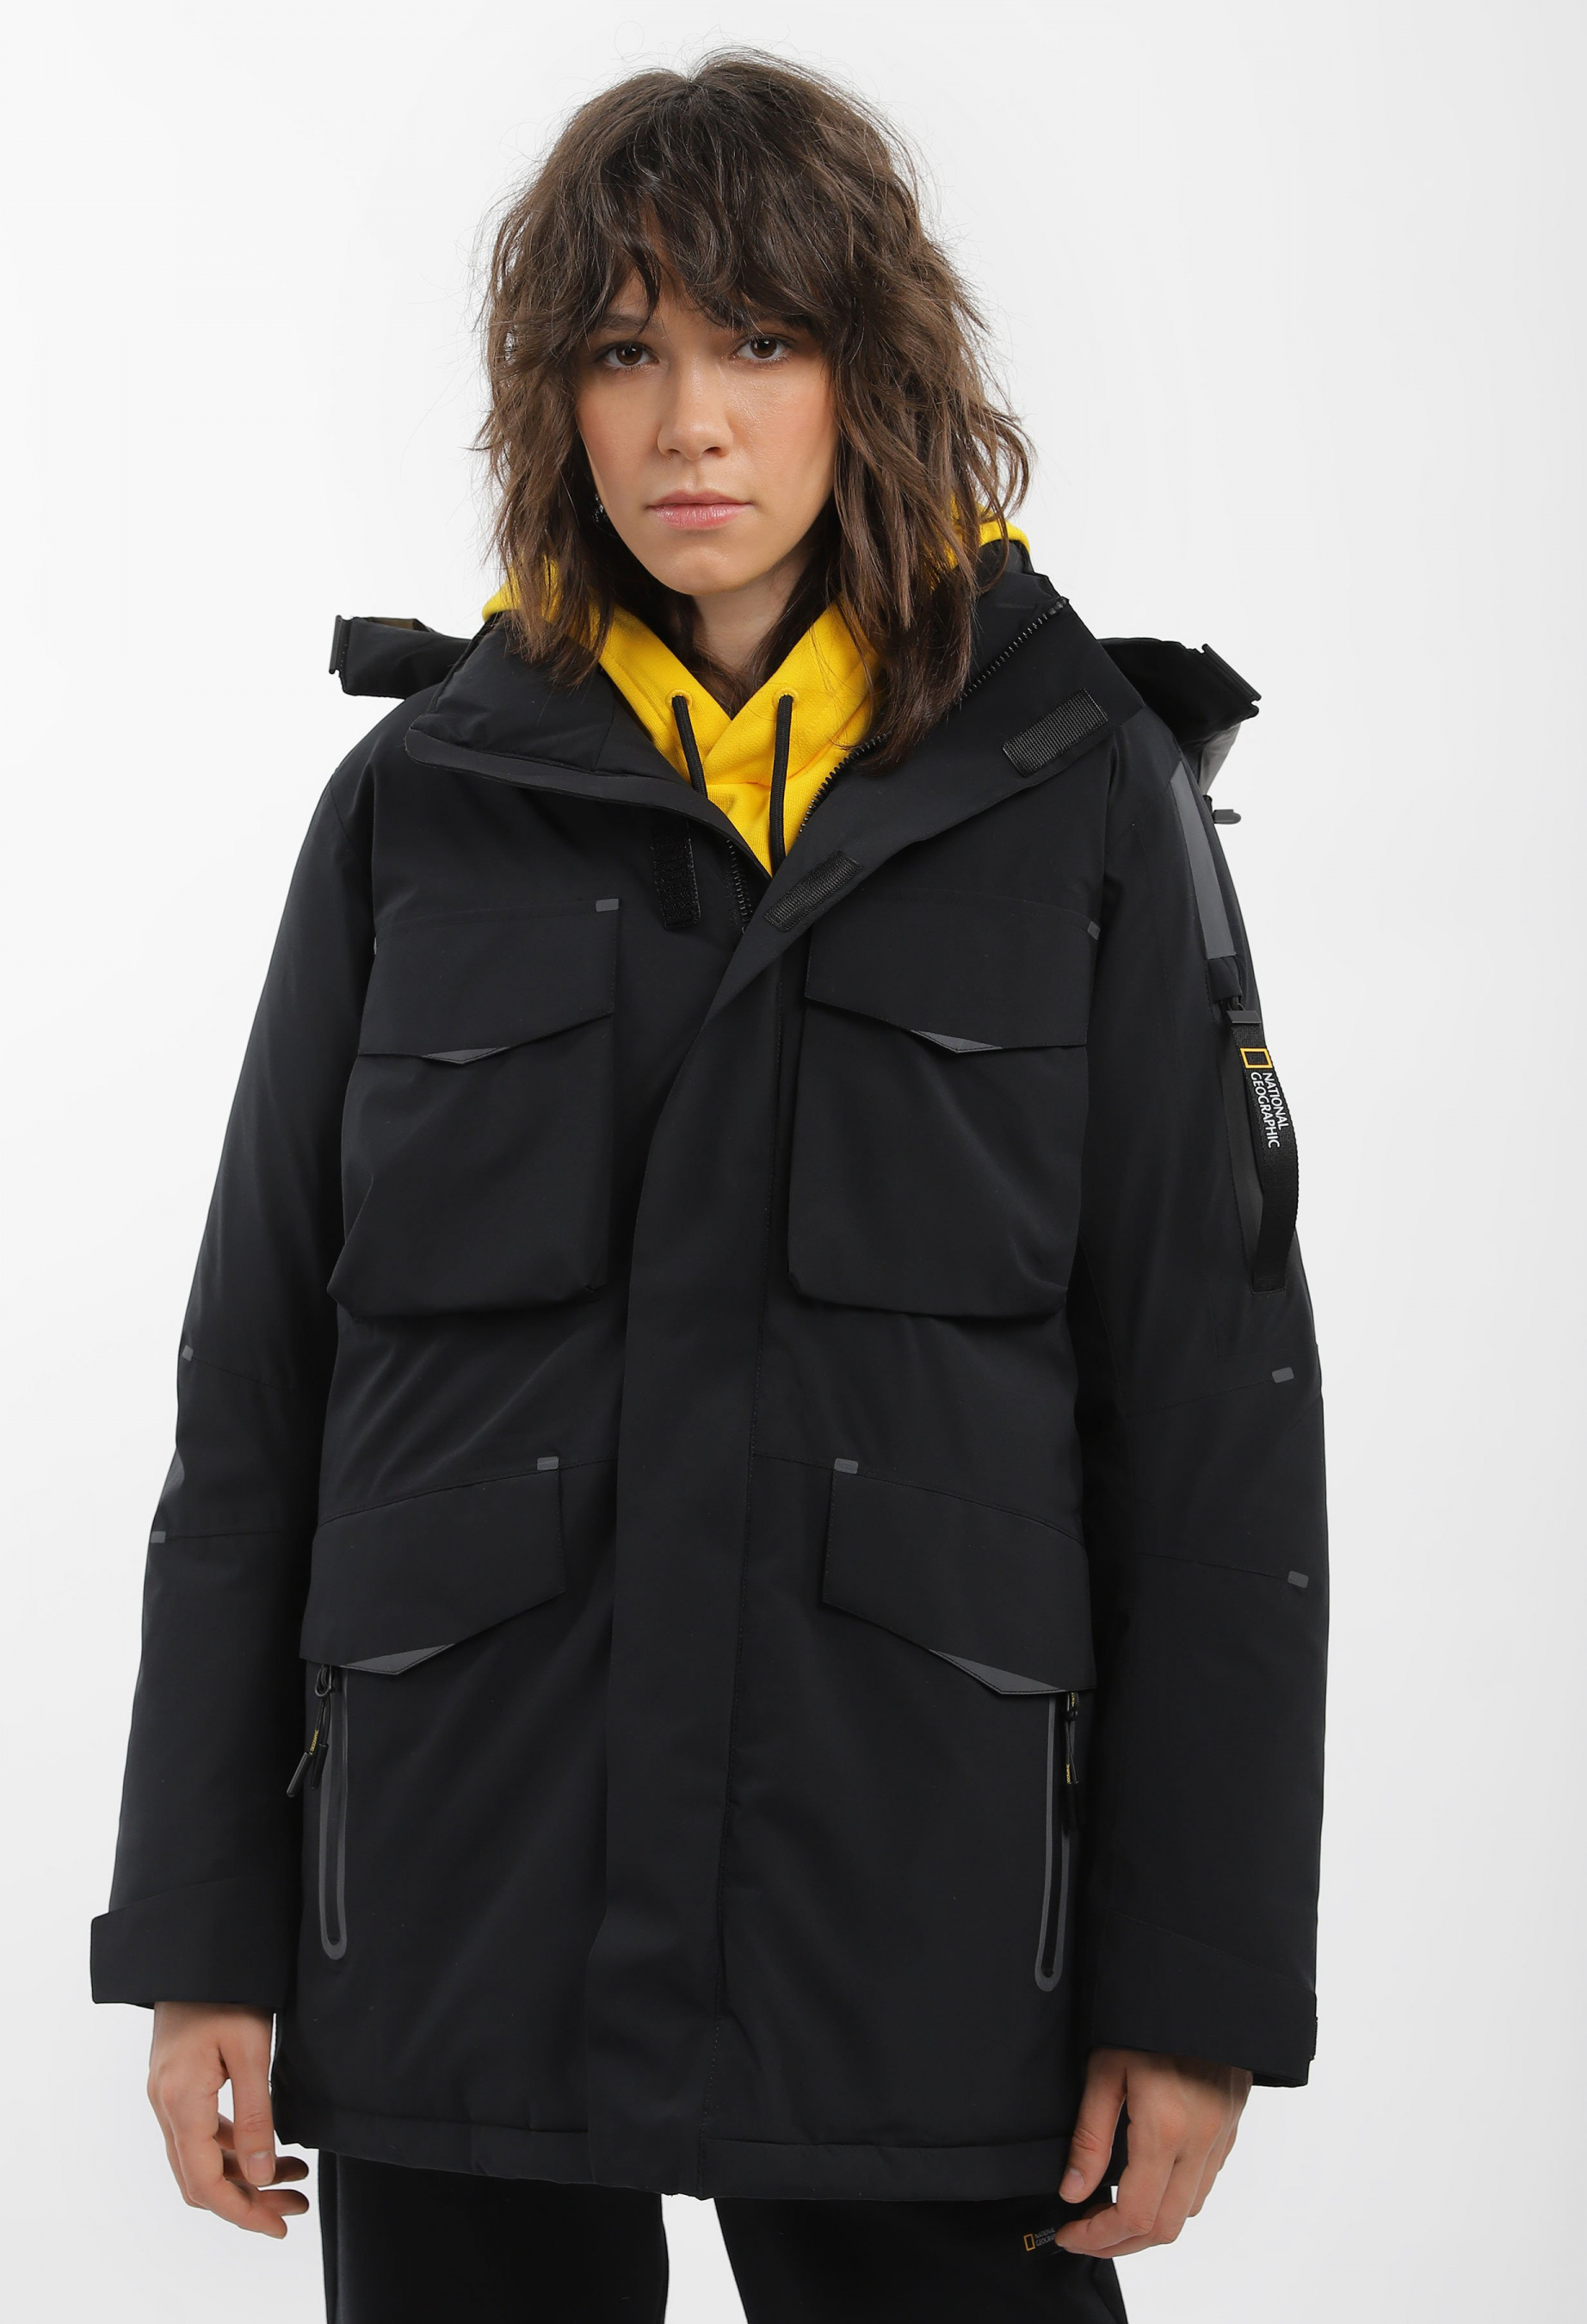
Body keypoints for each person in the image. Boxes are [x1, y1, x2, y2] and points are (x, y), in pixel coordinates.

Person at [92, 52, 1327, 2324]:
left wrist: (1199, 1977)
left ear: (872, 373)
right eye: (622, 349)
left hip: (925, 1917)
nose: (690, 422)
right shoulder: (422, 806)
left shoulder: (1074, 792)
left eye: (760, 341)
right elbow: (250, 1389)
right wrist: (200, 1934)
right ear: (551, 399)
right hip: (458, 1898)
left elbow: (1213, 1414)